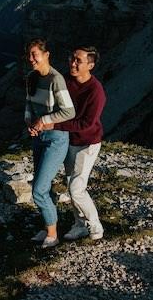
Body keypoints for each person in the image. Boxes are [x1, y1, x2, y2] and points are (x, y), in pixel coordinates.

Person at [32, 46, 106, 241]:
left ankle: (95, 224)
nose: (72, 63)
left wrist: (53, 124)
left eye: (78, 61)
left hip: (87, 143)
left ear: (90, 65)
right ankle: (79, 224)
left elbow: (86, 123)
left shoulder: (96, 92)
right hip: (70, 140)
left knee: (76, 188)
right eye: (72, 58)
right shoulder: (65, 80)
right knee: (71, 183)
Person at [24, 38, 75, 248]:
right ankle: (48, 225)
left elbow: (69, 111)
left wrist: (42, 121)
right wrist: (29, 121)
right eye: (29, 55)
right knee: (45, 186)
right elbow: (29, 102)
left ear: (47, 55)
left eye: (35, 54)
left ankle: (53, 236)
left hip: (56, 139)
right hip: (39, 138)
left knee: (38, 189)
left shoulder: (56, 80)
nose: (31, 59)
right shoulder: (31, 77)